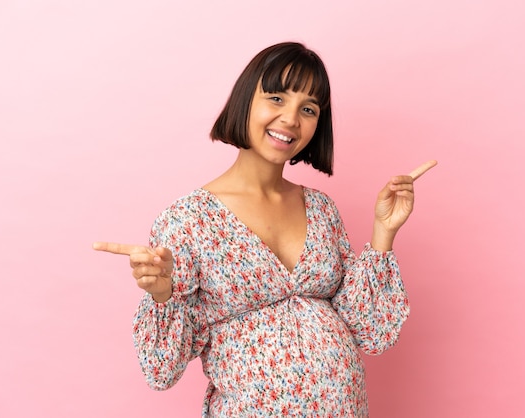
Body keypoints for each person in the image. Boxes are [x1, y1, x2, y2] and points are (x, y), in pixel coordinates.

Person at [94, 42, 436, 417]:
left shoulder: (321, 209)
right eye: (276, 98)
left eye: (308, 109)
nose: (291, 118)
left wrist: (383, 232)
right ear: (245, 101)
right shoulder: (187, 220)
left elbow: (368, 329)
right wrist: (163, 296)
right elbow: (161, 370)